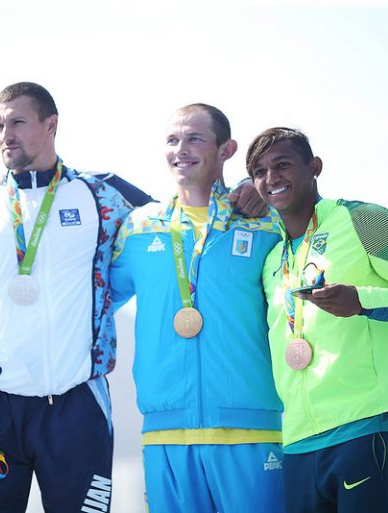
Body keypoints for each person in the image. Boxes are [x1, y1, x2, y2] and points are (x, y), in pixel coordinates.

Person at [0, 83, 263, 512]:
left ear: (51, 125)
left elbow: (185, 213)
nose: (5, 135)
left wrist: (243, 191)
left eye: (16, 122)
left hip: (77, 409)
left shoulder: (104, 196)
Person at [246, 127, 388, 513]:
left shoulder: (366, 219)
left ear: (315, 167)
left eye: (283, 165)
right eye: (259, 171)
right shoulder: (272, 260)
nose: (271, 178)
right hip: (298, 441)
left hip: (367, 424)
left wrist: (362, 301)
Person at [109, 104, 285, 513]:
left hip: (250, 427)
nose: (180, 149)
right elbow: (95, 301)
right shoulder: (139, 227)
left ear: (227, 149)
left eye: (194, 139)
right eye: (172, 140)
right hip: (166, 433)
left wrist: (253, 185)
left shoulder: (264, 223)